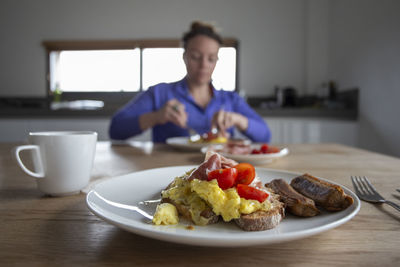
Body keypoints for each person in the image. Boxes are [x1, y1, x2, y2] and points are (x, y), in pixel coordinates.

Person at [109, 21, 271, 143]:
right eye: (195, 57)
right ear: (184, 56)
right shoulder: (160, 93)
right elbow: (115, 130)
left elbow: (265, 136)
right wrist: (157, 117)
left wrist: (238, 120)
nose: (203, 65)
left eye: (211, 59)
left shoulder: (230, 99)